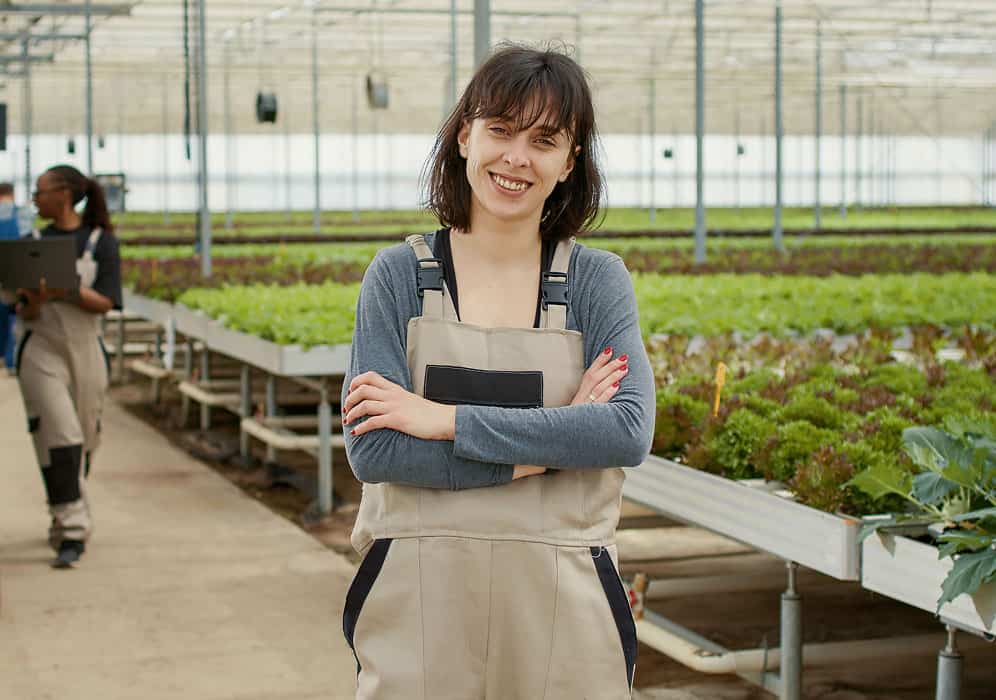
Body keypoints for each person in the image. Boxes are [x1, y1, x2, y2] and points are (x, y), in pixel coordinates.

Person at [340, 45, 655, 699]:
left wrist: (442, 419)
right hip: (418, 596)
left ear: (571, 161)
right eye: (501, 130)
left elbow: (625, 431)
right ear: (464, 136)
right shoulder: (398, 277)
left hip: (564, 600)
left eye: (544, 140)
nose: (517, 158)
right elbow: (375, 450)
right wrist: (549, 447)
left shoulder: (595, 282)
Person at [13, 165, 122, 569]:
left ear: (63, 194)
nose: (34, 199)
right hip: (41, 347)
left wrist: (69, 291)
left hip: (86, 348)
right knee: (59, 435)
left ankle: (63, 513)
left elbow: (108, 301)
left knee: (84, 439)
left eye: (40, 192)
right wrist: (36, 300)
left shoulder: (100, 242)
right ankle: (73, 530)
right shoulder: (32, 243)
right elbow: (20, 307)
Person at [0, 181, 32, 371]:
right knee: (14, 311)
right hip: (15, 267)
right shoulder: (22, 213)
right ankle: (12, 360)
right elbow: (28, 240)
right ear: (12, 193)